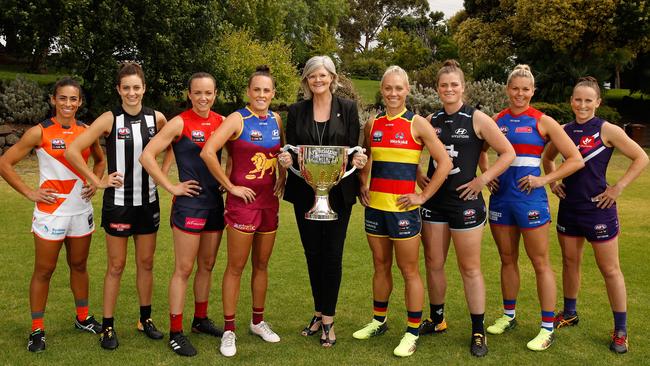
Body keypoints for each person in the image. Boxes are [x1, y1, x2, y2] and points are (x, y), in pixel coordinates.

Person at [66, 62, 171, 350]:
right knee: (116, 266)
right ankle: (108, 326)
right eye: (126, 87)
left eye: (137, 87)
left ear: (144, 88)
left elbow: (172, 144)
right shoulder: (110, 119)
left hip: (148, 203)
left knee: (146, 264)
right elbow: (73, 151)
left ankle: (145, 319)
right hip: (119, 205)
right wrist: (96, 181)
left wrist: (162, 176)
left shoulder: (157, 118)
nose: (132, 92)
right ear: (118, 90)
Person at [417, 60, 515, 357]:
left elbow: (508, 152)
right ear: (437, 88)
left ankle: (478, 329)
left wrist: (482, 179)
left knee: (469, 268)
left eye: (454, 85)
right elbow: (410, 153)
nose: (449, 89)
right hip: (434, 202)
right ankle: (437, 319)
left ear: (463, 88)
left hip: (465, 205)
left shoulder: (477, 119)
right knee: (434, 263)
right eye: (444, 85)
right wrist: (418, 174)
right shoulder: (430, 119)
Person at [352, 65, 452, 358]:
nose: (393, 93)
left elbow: (444, 163)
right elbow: (366, 158)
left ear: (407, 90)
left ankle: (411, 331)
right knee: (380, 266)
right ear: (381, 91)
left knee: (409, 270)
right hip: (375, 209)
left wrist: (423, 196)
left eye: (399, 88)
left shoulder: (417, 123)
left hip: (404, 211)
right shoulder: (373, 124)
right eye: (388, 88)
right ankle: (378, 321)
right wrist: (362, 182)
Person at [543, 77, 648, 354]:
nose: (582, 104)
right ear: (571, 101)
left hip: (598, 209)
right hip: (570, 208)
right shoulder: (563, 130)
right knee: (569, 262)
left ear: (598, 102)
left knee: (610, 270)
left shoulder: (607, 130)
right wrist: (553, 182)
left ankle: (621, 329)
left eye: (588, 100)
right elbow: (547, 158)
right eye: (578, 99)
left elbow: (641, 158)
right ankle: (569, 312)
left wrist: (618, 188)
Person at [482, 64, 583, 351]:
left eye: (526, 89)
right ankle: (508, 315)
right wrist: (488, 175)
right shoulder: (495, 120)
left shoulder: (543, 121)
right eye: (515, 88)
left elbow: (575, 159)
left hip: (531, 202)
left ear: (533, 91)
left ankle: (547, 326)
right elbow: (478, 151)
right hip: (502, 200)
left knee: (540, 263)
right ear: (507, 89)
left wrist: (545, 180)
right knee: (507, 259)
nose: (520, 94)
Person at [0, 77, 105, 352]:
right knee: (44, 270)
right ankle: (37, 329)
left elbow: (101, 160)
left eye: (73, 99)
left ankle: (83, 318)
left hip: (80, 210)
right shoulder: (39, 132)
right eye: (63, 98)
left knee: (79, 266)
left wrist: (95, 180)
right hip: (51, 213)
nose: (68, 104)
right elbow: (5, 163)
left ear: (79, 102)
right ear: (53, 100)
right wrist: (29, 193)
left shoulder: (87, 129)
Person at [276, 55, 367, 347]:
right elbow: (290, 147)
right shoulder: (297, 110)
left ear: (332, 77)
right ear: (306, 79)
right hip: (305, 192)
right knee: (313, 254)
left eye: (323, 75)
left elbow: (354, 149)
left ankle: (329, 319)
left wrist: (359, 158)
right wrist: (287, 159)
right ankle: (318, 312)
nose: (318, 80)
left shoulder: (348, 109)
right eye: (312, 76)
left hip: (338, 194)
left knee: (333, 255)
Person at [200, 65, 286, 357]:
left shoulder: (276, 118)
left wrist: (282, 178)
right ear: (248, 92)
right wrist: (230, 185)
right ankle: (228, 330)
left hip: (268, 204)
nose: (261, 95)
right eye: (256, 90)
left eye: (267, 90)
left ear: (273, 93)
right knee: (236, 267)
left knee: (262, 266)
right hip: (243, 205)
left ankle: (258, 322)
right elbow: (208, 151)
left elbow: (280, 154)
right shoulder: (237, 118)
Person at [140, 72, 225, 357]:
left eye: (208, 93)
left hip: (215, 204)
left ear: (215, 94)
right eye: (197, 93)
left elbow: (233, 153)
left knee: (208, 265)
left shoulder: (221, 122)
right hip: (189, 205)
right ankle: (176, 332)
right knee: (184, 269)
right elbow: (147, 156)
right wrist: (171, 187)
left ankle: (200, 320)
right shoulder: (180, 122)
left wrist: (225, 182)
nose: (203, 98)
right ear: (189, 94)